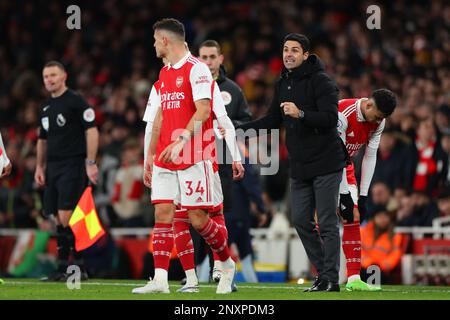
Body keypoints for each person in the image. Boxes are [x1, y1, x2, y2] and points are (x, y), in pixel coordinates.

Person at [132, 18, 237, 294]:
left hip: (193, 154)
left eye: (155, 40)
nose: (154, 45)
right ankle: (160, 280)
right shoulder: (164, 74)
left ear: (165, 40)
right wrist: (149, 157)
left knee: (198, 219)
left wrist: (181, 140)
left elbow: (203, 111)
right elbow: (158, 120)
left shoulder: (197, 69)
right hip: (166, 157)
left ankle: (226, 263)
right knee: (163, 213)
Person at [238, 33, 347, 292]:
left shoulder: (322, 82)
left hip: (326, 162)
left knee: (328, 222)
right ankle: (324, 274)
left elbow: (331, 119)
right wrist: (239, 129)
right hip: (299, 166)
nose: (289, 54)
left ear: (305, 55)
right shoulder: (283, 81)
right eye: (286, 49)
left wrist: (301, 114)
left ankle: (330, 278)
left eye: (295, 50)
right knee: (299, 220)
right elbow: (273, 119)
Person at [35, 61, 99, 281]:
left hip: (72, 164)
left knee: (67, 215)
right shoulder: (45, 107)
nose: (49, 79)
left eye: (53, 75)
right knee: (57, 217)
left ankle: (74, 267)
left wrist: (90, 162)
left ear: (64, 76)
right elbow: (42, 140)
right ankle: (67, 268)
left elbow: (92, 131)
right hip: (52, 167)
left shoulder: (76, 101)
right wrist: (39, 167)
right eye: (46, 76)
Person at [196, 39, 253, 282]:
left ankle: (219, 268)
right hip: (196, 160)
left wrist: (230, 126)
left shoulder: (232, 90)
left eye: (212, 57)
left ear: (221, 59)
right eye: (204, 57)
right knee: (195, 216)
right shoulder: (193, 87)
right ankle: (197, 272)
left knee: (219, 215)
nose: (208, 62)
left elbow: (247, 122)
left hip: (223, 161)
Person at [337, 89, 397, 291]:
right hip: (321, 166)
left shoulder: (379, 121)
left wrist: (362, 196)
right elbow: (337, 154)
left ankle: (353, 278)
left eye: (381, 119)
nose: (377, 121)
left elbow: (370, 156)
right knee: (322, 219)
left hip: (345, 167)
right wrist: (344, 193)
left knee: (353, 215)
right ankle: (323, 274)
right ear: (369, 105)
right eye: (377, 116)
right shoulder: (343, 112)